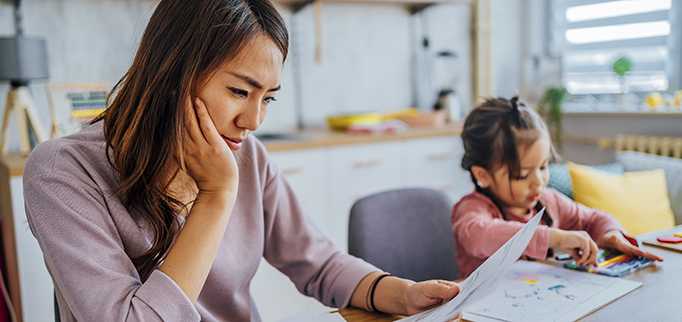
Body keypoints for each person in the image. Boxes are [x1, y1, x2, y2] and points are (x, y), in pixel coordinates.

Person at [23, 0, 463, 321]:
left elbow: (320, 262)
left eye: (267, 98)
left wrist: (402, 295)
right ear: (174, 73)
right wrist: (216, 198)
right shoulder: (63, 172)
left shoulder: (246, 153)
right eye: (239, 91)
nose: (252, 120)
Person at [451, 96, 663, 278]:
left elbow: (595, 218)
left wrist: (611, 235)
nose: (539, 181)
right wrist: (556, 237)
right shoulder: (472, 208)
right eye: (522, 175)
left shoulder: (548, 201)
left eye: (543, 166)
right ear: (482, 175)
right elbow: (479, 235)